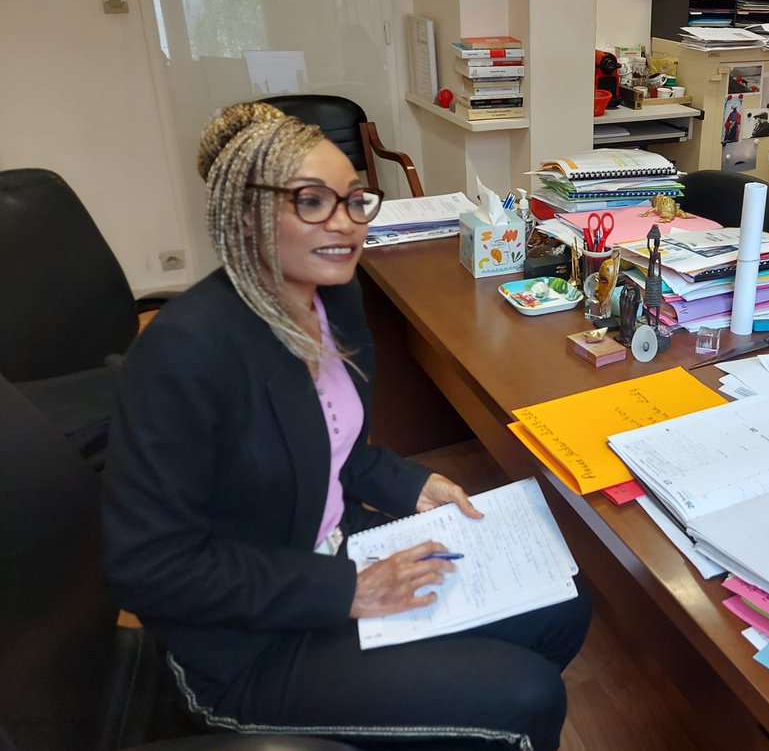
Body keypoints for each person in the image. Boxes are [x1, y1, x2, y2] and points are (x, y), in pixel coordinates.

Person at [102, 102, 590, 750]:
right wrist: (348, 591)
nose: (345, 224)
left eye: (355, 200)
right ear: (245, 216)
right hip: (247, 647)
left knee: (561, 604)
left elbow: (337, 448)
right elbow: (150, 568)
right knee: (526, 696)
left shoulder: (332, 294)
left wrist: (414, 486)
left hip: (334, 547)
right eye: (310, 201)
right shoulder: (185, 354)